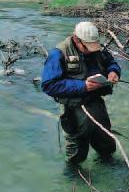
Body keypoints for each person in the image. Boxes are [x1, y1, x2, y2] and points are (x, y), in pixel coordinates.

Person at [41, 21, 121, 165]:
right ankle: (74, 179)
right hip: (73, 109)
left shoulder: (97, 48)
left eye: (93, 46)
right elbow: (49, 85)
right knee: (76, 151)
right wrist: (83, 86)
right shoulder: (58, 54)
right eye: (87, 47)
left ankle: (108, 167)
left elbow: (111, 63)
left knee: (106, 143)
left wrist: (114, 72)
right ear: (76, 39)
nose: (91, 51)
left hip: (96, 103)